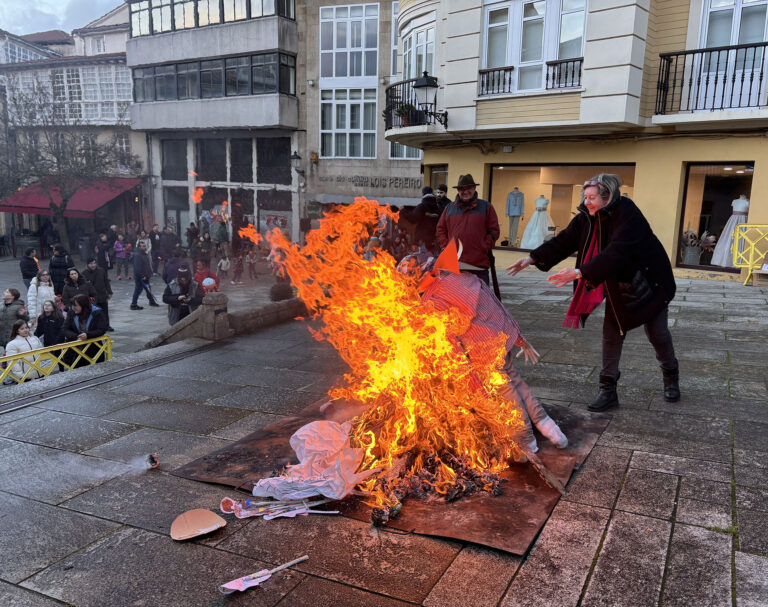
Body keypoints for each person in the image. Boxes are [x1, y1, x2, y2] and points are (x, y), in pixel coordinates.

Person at [506, 174, 679, 411]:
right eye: (584, 197)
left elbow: (617, 251)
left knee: (657, 334)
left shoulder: (627, 213)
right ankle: (607, 390)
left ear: (607, 197)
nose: (586, 202)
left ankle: (670, 376)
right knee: (612, 334)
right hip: (618, 284)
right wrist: (532, 258)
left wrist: (579, 272)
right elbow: (565, 240)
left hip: (649, 282)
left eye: (591, 198)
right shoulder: (587, 218)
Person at [418, 241, 567, 454]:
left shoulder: (434, 300)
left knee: (506, 392)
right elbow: (497, 308)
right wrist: (519, 338)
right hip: (501, 340)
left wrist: (473, 382)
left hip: (483, 354)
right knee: (515, 380)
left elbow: (451, 344)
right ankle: (551, 429)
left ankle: (525, 441)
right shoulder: (465, 279)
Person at [436, 174, 500, 286]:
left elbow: (494, 230)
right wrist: (446, 247)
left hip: (478, 265)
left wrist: (483, 246)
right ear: (458, 191)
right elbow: (440, 229)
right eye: (461, 189)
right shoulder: (449, 208)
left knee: (480, 299)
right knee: (455, 300)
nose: (465, 191)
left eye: (468, 188)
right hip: (455, 265)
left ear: (474, 188)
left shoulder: (486, 207)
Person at [62, 293, 107, 367]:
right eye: (72, 305)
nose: (73, 307)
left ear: (83, 305)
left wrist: (88, 335)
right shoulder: (71, 312)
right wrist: (77, 336)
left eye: (75, 305)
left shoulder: (97, 313)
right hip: (75, 350)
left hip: (93, 349)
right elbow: (65, 329)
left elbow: (102, 329)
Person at [82, 257, 113, 331]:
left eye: (94, 263)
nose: (93, 265)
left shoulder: (101, 270)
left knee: (105, 312)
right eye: (91, 264)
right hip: (92, 297)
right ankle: (97, 326)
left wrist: (109, 291)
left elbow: (106, 282)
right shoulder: (84, 273)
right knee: (95, 313)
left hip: (102, 294)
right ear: (87, 264)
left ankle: (107, 325)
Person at [412, 187, 445, 254]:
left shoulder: (421, 207)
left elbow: (412, 219)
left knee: (423, 262)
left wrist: (402, 210)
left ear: (423, 194)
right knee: (434, 262)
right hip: (435, 241)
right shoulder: (438, 208)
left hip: (422, 241)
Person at [130, 240, 160, 310]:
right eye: (143, 246)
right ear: (139, 247)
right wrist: (142, 276)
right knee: (138, 289)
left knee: (148, 289)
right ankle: (133, 304)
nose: (145, 247)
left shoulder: (143, 254)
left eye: (145, 246)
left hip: (145, 275)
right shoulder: (138, 255)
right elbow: (138, 268)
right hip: (141, 276)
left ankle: (151, 301)